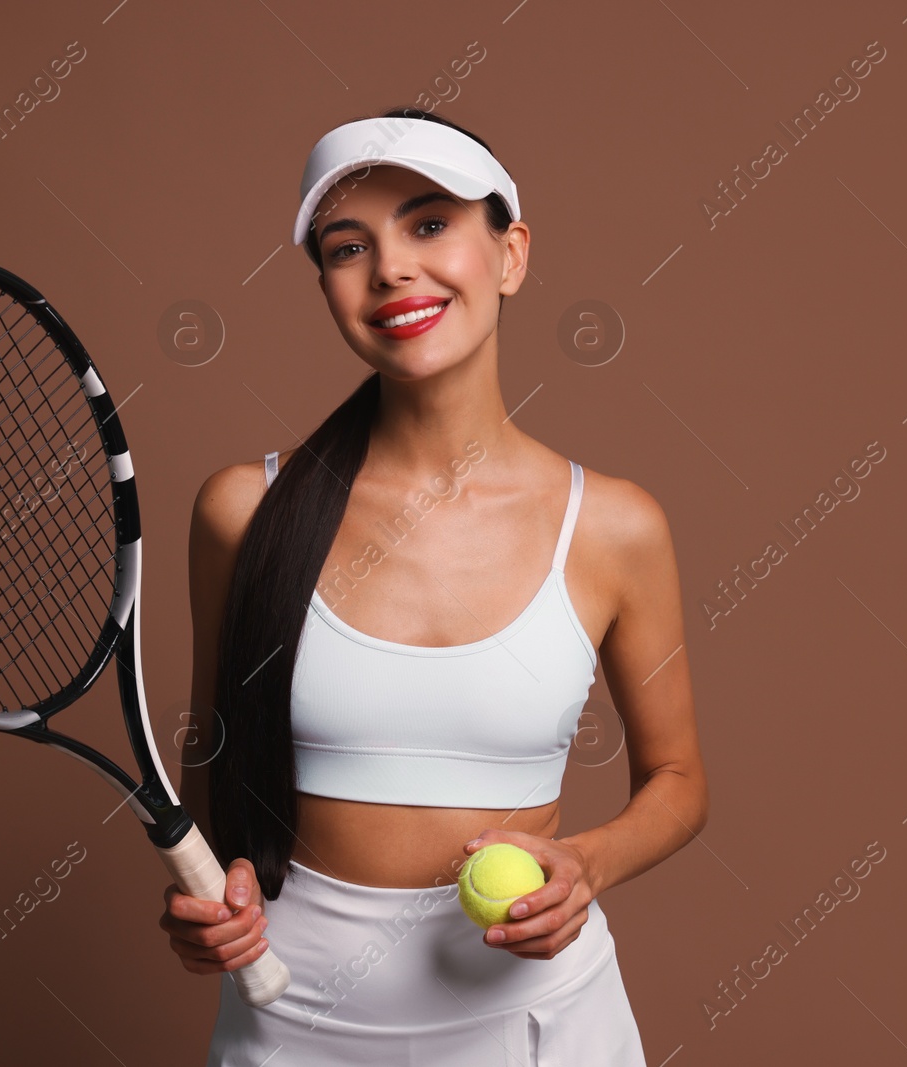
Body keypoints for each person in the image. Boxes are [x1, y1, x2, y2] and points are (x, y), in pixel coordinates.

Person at [160, 106, 708, 1065]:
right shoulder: (242, 511)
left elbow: (679, 780)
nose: (391, 270)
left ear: (511, 253)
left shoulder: (616, 526)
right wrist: (215, 895)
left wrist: (587, 863)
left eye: (428, 224)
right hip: (295, 1018)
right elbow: (216, 754)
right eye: (346, 246)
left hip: (539, 1022)